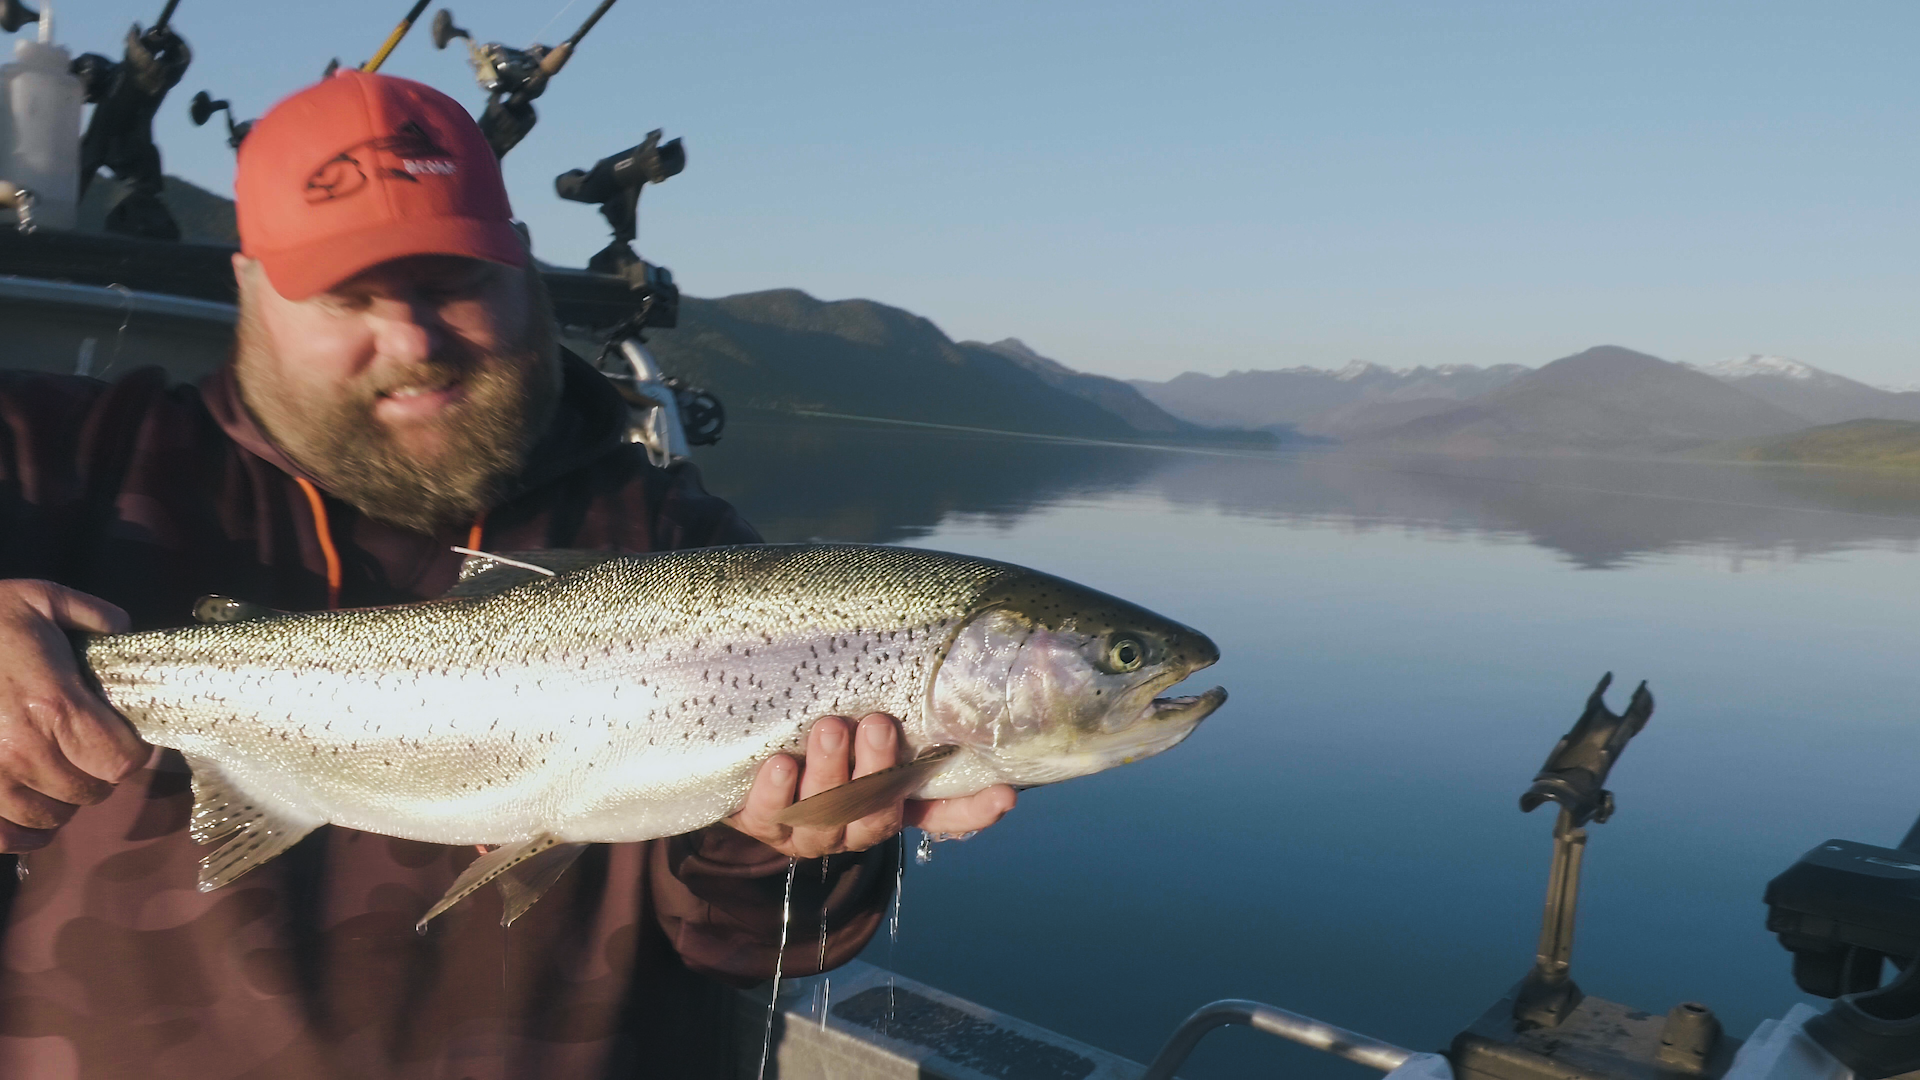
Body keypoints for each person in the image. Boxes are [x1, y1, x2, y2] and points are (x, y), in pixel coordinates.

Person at [0, 71, 1014, 1079]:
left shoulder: (691, 558)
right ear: (251, 290)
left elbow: (750, 948)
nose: (411, 341)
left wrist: (792, 839)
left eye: (453, 281)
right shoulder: (64, 459)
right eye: (347, 295)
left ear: (522, 266)